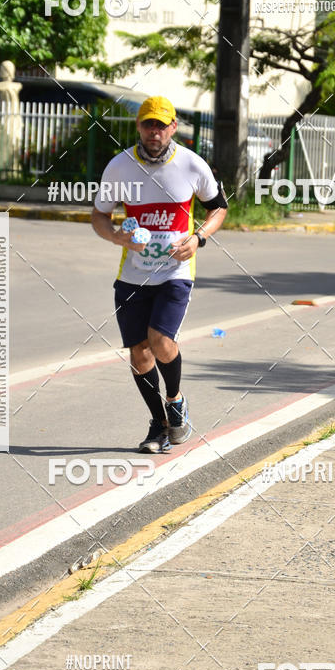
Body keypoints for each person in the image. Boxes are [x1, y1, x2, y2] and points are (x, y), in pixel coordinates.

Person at [91, 96, 228, 453]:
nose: (154, 131)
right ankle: (160, 425)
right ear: (138, 127)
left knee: (160, 341)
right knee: (139, 355)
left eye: (161, 124)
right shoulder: (119, 167)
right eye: (148, 124)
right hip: (132, 275)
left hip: (175, 271)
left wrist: (198, 238)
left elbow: (218, 209)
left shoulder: (192, 165)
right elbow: (99, 215)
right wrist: (116, 235)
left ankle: (175, 399)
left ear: (173, 127)